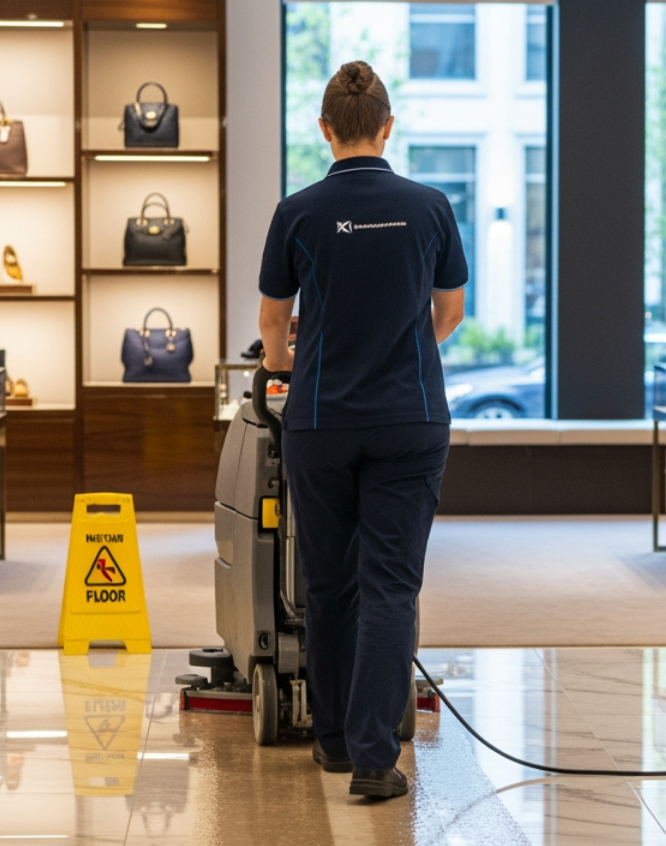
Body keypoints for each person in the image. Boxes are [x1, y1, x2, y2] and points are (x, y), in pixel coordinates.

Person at [257, 61, 467, 800]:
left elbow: (272, 331)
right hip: (410, 419)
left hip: (320, 421)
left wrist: (302, 359)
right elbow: (450, 311)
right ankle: (378, 762)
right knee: (391, 584)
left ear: (325, 129)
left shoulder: (298, 212)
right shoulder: (431, 206)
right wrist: (399, 352)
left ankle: (335, 743)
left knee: (329, 582)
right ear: (387, 127)